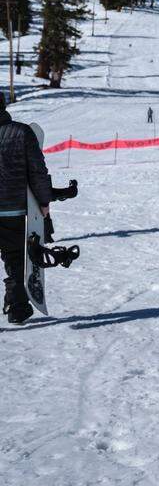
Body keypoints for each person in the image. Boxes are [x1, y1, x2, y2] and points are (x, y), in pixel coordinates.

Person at [0, 98, 53, 324]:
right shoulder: (22, 133)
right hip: (15, 211)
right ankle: (17, 307)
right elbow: (37, 170)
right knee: (15, 258)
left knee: (14, 257)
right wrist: (43, 201)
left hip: (14, 211)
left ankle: (17, 305)